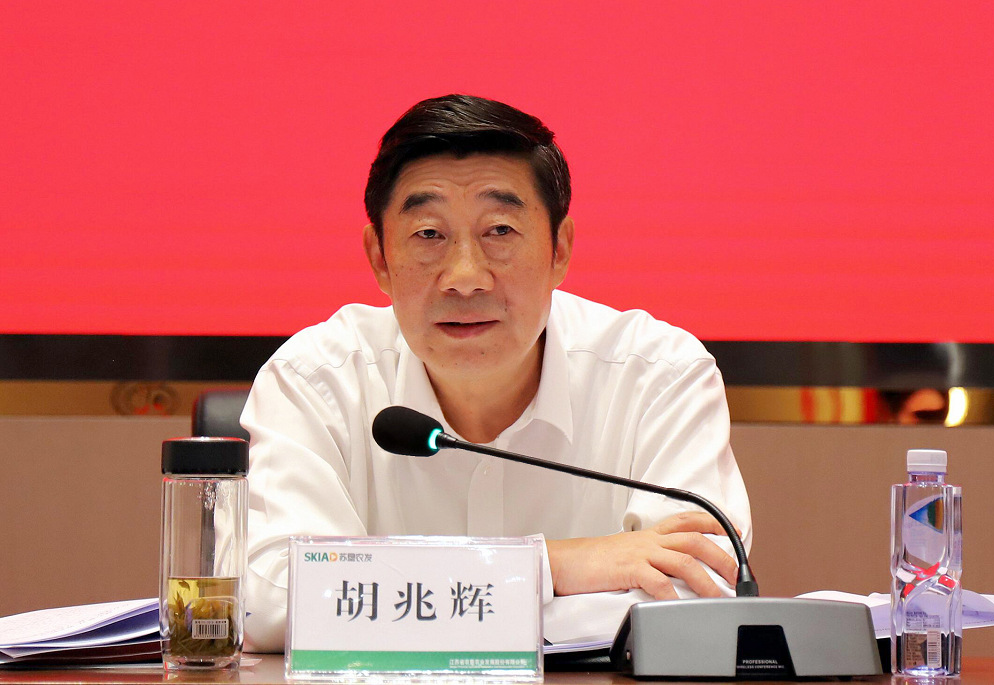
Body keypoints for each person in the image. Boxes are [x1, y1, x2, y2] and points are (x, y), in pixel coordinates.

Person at [242, 94, 752, 652]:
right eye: (429, 235)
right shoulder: (314, 382)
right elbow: (273, 599)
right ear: (380, 259)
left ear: (560, 249)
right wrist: (553, 566)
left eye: (500, 231)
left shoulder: (659, 378)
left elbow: (697, 588)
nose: (465, 277)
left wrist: (399, 604)